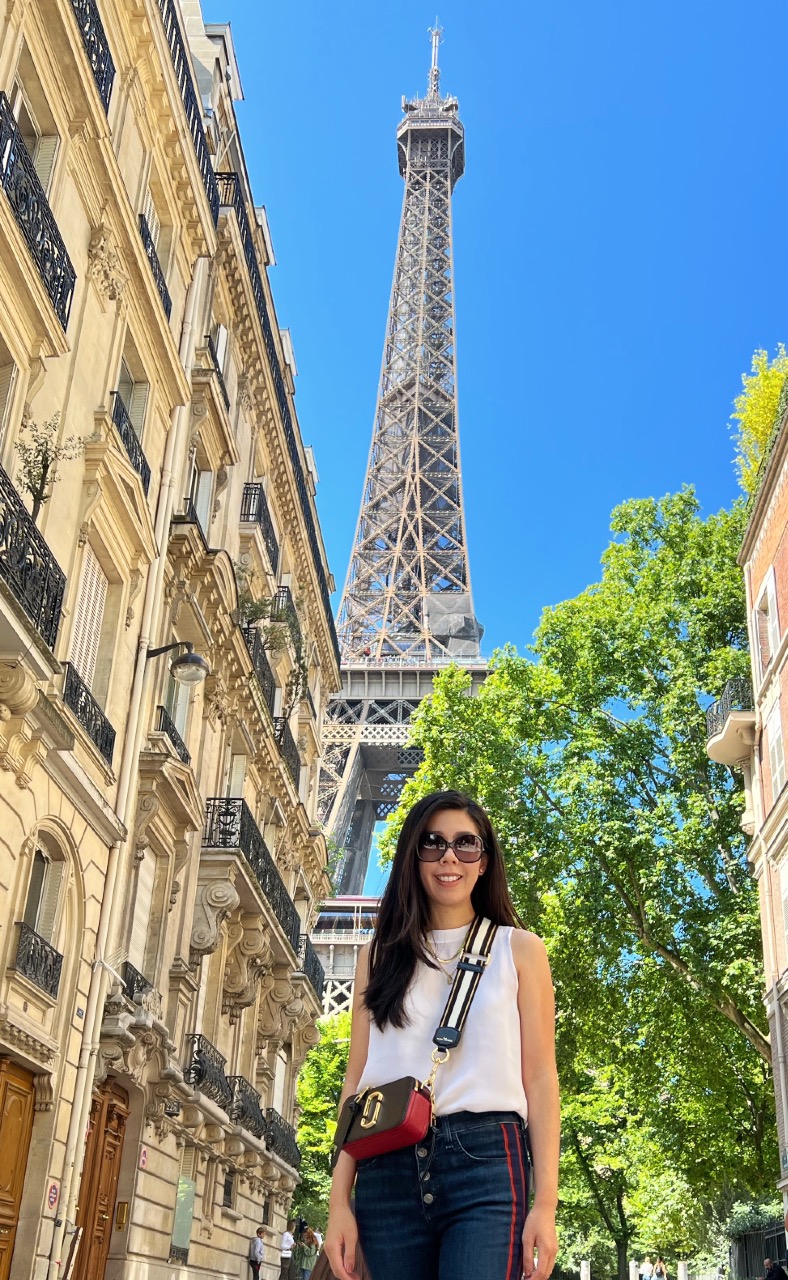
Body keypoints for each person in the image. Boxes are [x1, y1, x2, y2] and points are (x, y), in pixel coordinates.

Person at [325, 790, 560, 1280]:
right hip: (385, 1166)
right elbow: (357, 1084)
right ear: (413, 857)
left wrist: (547, 1204)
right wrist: (338, 1202)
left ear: (483, 862)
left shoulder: (520, 950)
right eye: (432, 843)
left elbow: (540, 1080)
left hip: (487, 1164)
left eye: (465, 844)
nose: (449, 856)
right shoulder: (378, 956)